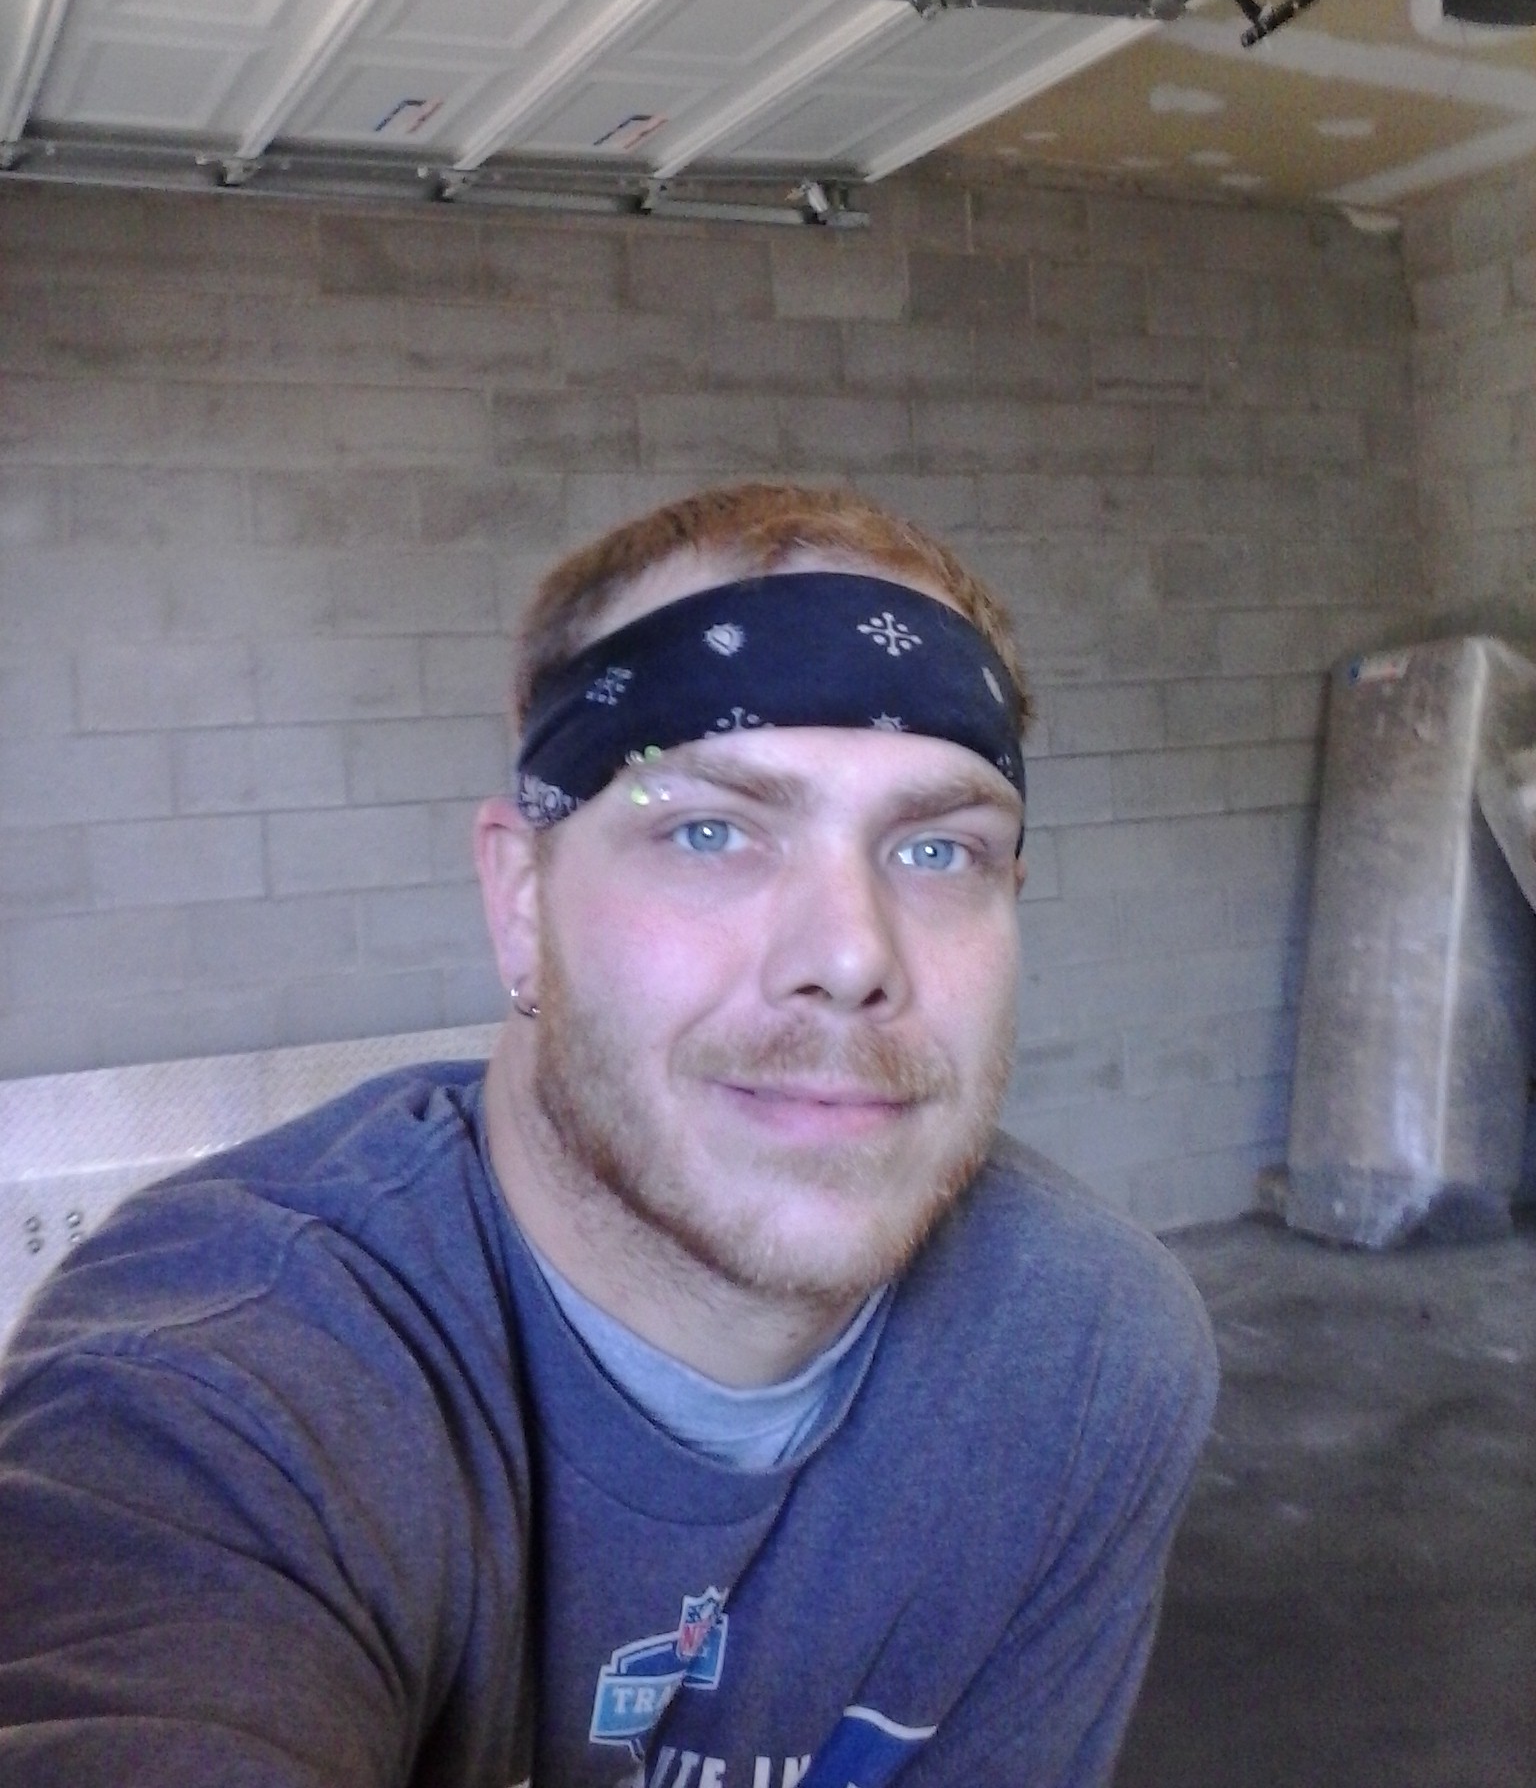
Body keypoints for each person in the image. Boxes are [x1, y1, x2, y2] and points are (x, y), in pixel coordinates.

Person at [0, 480, 1217, 1788]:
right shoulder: (222, 1390)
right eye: (710, 830)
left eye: (937, 852)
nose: (852, 955)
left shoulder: (1086, 1355)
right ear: (522, 905)